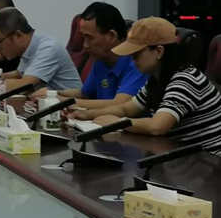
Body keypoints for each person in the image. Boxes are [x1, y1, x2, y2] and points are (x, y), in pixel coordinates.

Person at [71, 17, 221, 147]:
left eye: (136, 54)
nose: (132, 60)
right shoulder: (156, 79)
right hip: (181, 157)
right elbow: (126, 109)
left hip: (209, 162)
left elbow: (157, 126)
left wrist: (117, 123)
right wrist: (87, 114)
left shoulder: (185, 80)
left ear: (159, 51)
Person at [33, 2, 148, 108]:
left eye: (90, 38)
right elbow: (84, 94)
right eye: (83, 37)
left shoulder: (138, 62)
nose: (85, 45)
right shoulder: (101, 59)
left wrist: (63, 101)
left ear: (112, 36)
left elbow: (119, 103)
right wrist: (52, 94)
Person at [0, 7, 82, 91]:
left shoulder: (48, 48)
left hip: (70, 104)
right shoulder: (29, 46)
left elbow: (24, 85)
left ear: (17, 35)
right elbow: (19, 74)